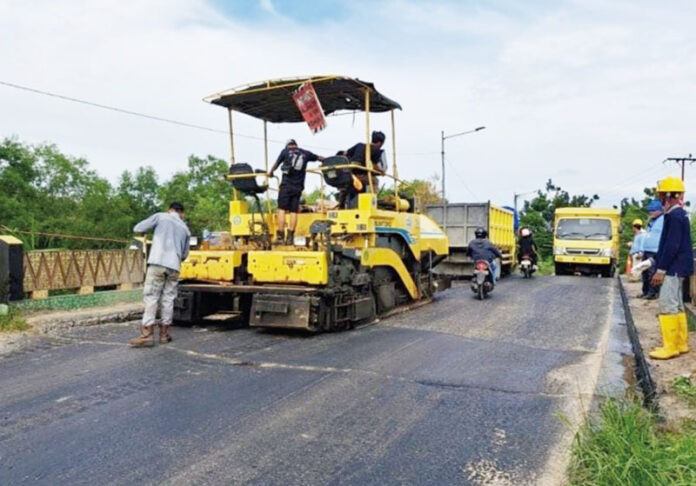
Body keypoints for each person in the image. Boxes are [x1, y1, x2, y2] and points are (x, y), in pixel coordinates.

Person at [129, 202, 191, 347]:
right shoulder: (185, 229)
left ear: (169, 210)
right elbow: (184, 254)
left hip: (157, 263)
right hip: (174, 267)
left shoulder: (161, 217)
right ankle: (164, 334)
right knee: (168, 299)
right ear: (182, 213)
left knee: (151, 297)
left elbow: (138, 228)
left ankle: (147, 334)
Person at [649, 176, 694, 360]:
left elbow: (671, 245)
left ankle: (670, 347)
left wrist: (661, 270)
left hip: (672, 268)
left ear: (667, 195)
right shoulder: (680, 215)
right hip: (679, 267)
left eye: (661, 195)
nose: (660, 199)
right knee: (677, 305)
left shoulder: (674, 216)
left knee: (668, 305)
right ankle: (681, 344)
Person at [269, 139, 324, 244]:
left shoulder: (285, 152)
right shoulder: (305, 153)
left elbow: (276, 164)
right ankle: (290, 237)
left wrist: (270, 173)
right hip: (298, 187)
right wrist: (328, 160)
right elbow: (319, 158)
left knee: (281, 210)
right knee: (294, 211)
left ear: (287, 146)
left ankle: (280, 237)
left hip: (286, 186)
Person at [341, 131, 388, 208]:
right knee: (375, 181)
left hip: (350, 174)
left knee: (345, 187)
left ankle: (341, 205)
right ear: (380, 143)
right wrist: (381, 171)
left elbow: (345, 153)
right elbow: (374, 165)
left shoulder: (359, 145)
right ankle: (372, 203)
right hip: (361, 176)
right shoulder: (375, 150)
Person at [640, 201, 664, 299]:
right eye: (650, 210)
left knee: (652, 272)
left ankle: (652, 292)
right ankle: (645, 291)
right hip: (647, 250)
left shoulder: (663, 220)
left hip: (655, 251)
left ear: (659, 210)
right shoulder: (651, 221)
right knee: (644, 272)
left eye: (653, 210)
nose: (651, 212)